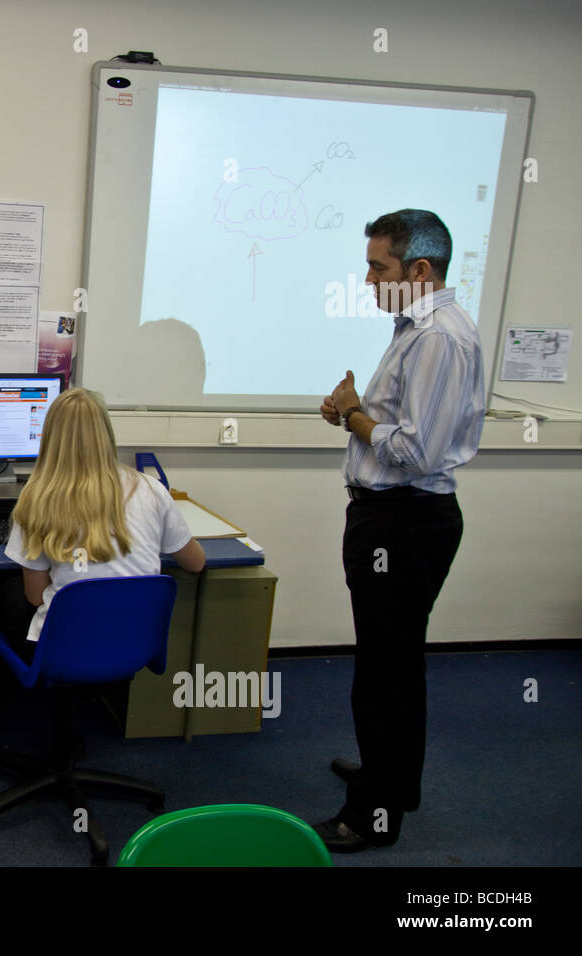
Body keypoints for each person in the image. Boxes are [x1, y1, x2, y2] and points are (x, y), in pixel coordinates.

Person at [316, 209, 484, 851]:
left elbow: (417, 451)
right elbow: (400, 429)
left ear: (419, 270)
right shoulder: (416, 328)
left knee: (386, 673)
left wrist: (356, 413)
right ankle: (390, 778)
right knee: (390, 665)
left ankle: (372, 815)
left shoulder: (439, 335)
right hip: (392, 517)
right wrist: (354, 416)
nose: (366, 278)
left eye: (378, 266)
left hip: (404, 523)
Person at [0, 387, 205, 746]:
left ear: (50, 437)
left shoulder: (38, 499)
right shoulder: (150, 489)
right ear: (106, 434)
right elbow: (195, 563)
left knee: (7, 589)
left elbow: (36, 597)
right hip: (133, 644)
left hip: (63, 646)